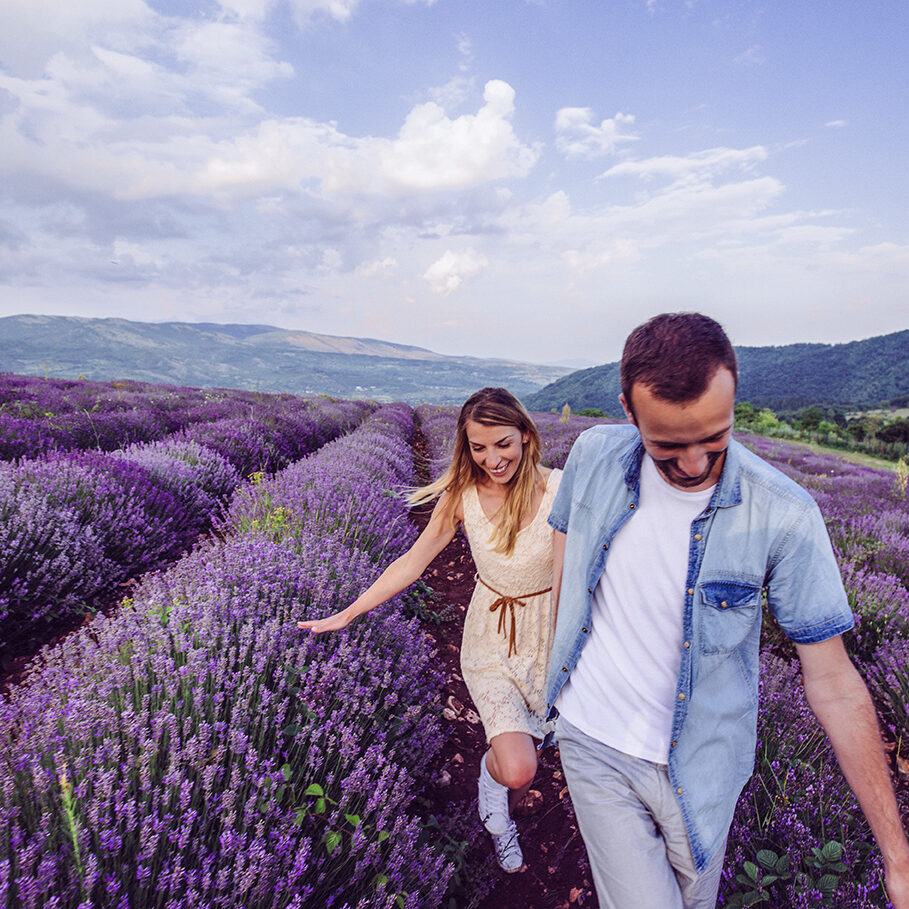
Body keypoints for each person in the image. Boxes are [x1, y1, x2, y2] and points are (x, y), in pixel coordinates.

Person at [545, 312, 909, 909]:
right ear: (628, 412)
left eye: (714, 439)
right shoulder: (591, 453)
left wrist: (897, 856)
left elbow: (835, 681)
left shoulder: (784, 514)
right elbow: (563, 556)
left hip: (705, 766)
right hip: (594, 740)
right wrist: (546, 676)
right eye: (667, 445)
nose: (693, 464)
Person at [298, 387, 562, 873]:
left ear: (525, 435)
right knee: (518, 767)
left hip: (549, 635)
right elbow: (413, 563)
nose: (491, 459)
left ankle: (508, 773)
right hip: (491, 639)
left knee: (535, 752)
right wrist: (350, 612)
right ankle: (493, 799)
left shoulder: (560, 492)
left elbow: (580, 578)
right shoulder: (462, 496)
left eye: (502, 444)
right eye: (478, 448)